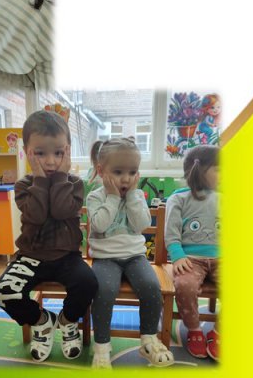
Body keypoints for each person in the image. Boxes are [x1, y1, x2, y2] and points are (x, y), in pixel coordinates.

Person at [0, 110, 97, 362]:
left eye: (58, 153)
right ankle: (42, 322)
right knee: (3, 292)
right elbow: (37, 216)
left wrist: (61, 177)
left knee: (89, 284)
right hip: (31, 257)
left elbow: (61, 211)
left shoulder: (75, 184)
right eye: (40, 153)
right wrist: (39, 180)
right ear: (27, 152)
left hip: (66, 257)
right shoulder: (23, 185)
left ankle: (67, 321)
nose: (50, 162)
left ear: (68, 151)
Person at [86, 138, 174, 368]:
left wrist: (133, 196)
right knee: (103, 291)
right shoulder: (95, 197)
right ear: (101, 171)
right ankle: (102, 347)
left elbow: (142, 224)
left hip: (135, 256)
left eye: (132, 172)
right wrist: (113, 197)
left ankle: (148, 341)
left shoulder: (137, 196)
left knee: (151, 287)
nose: (126, 178)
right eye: (118, 172)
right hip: (105, 258)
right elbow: (100, 225)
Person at [167, 145, 220, 360]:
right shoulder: (179, 198)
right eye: (218, 169)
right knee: (184, 285)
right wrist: (177, 255)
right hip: (190, 260)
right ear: (200, 170)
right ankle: (194, 329)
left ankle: (219, 331)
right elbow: (171, 232)